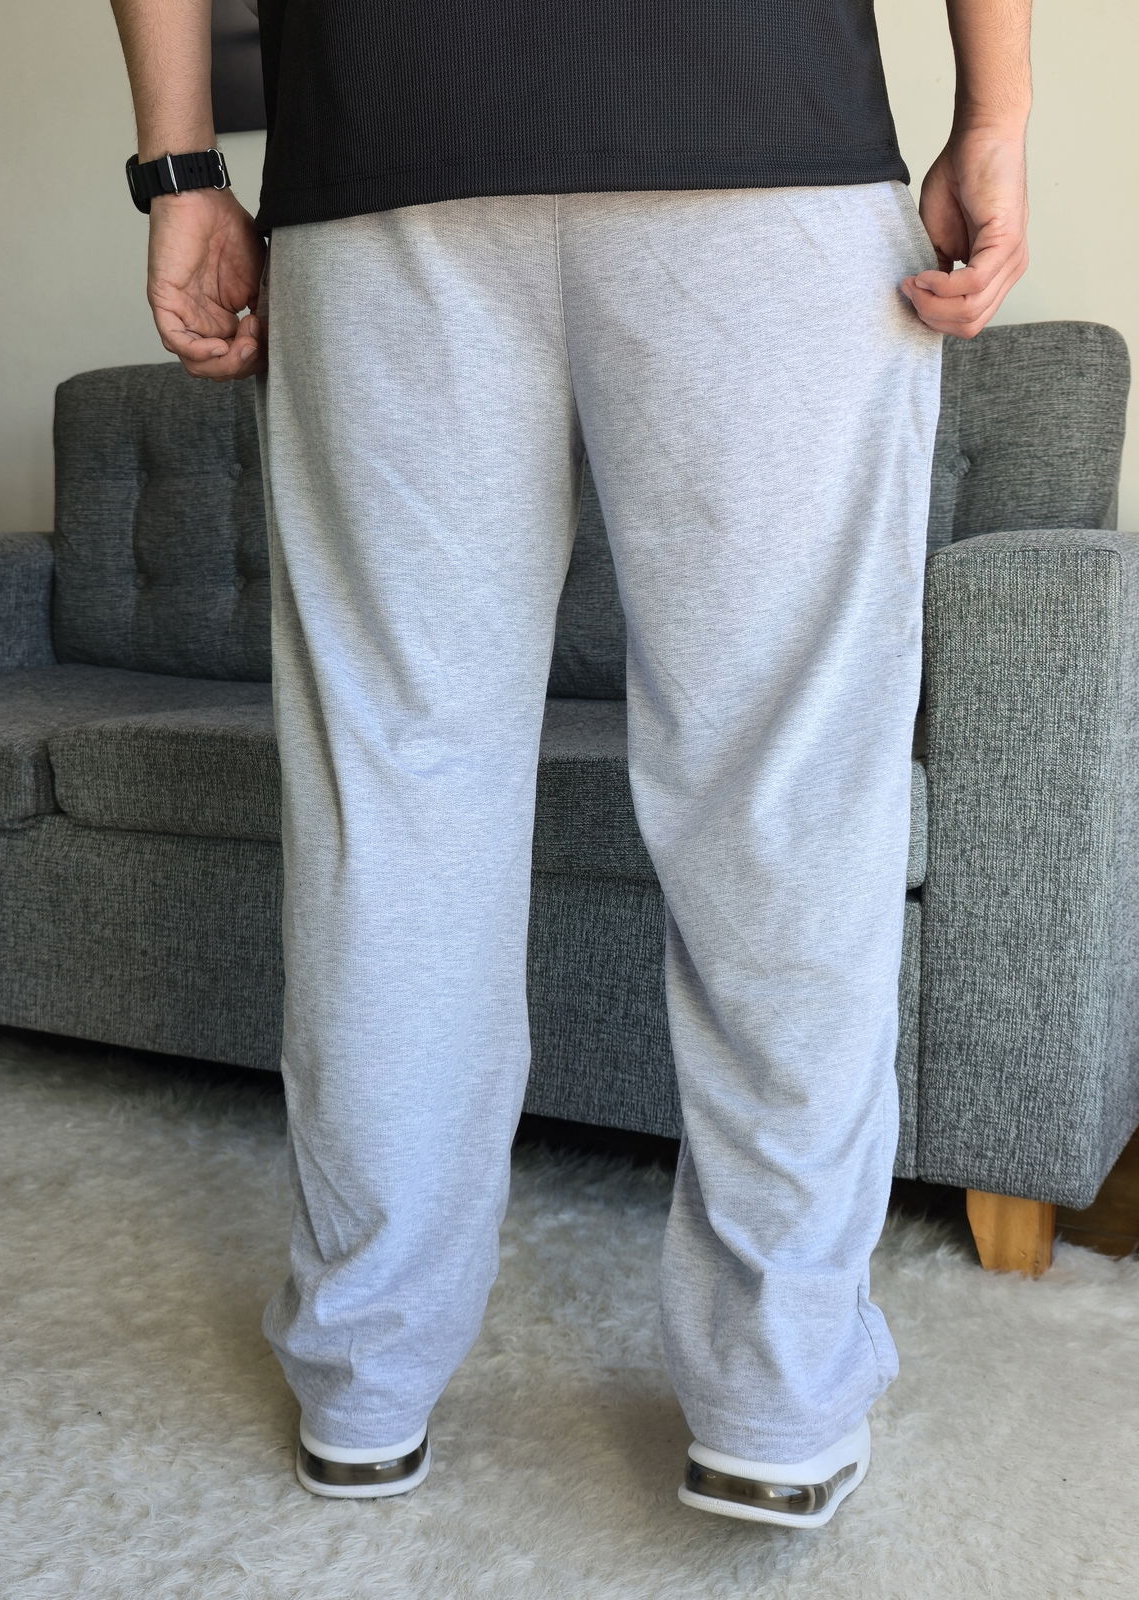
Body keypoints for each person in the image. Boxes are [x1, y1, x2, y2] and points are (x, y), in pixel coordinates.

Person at [109, 0, 1031, 1529]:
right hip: (761, 126)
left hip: (385, 150)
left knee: (396, 793)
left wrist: (180, 165)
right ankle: (778, 1397)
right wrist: (993, 113)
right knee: (783, 798)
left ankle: (365, 1379)